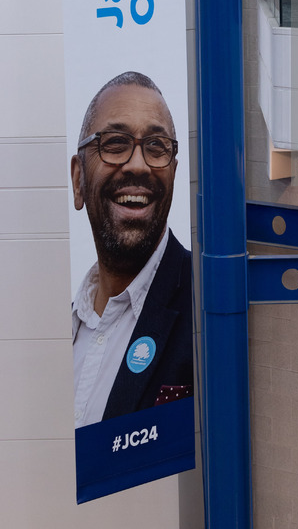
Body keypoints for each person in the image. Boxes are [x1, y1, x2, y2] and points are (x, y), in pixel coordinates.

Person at [70, 71, 194, 428]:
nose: (138, 164)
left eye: (156, 147)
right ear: (78, 180)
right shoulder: (50, 337)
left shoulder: (205, 306)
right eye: (114, 143)